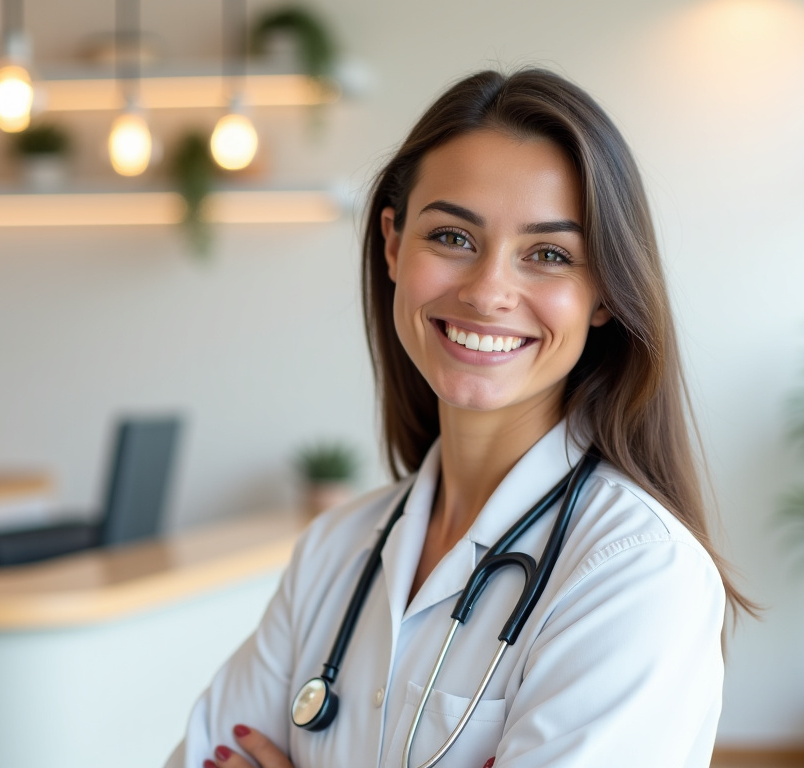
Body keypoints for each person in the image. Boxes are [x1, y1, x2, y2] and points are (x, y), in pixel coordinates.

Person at [164, 68, 752, 768]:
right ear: (392, 243)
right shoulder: (332, 553)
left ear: (604, 293)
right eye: (452, 238)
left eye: (549, 255)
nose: (488, 291)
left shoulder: (639, 573)